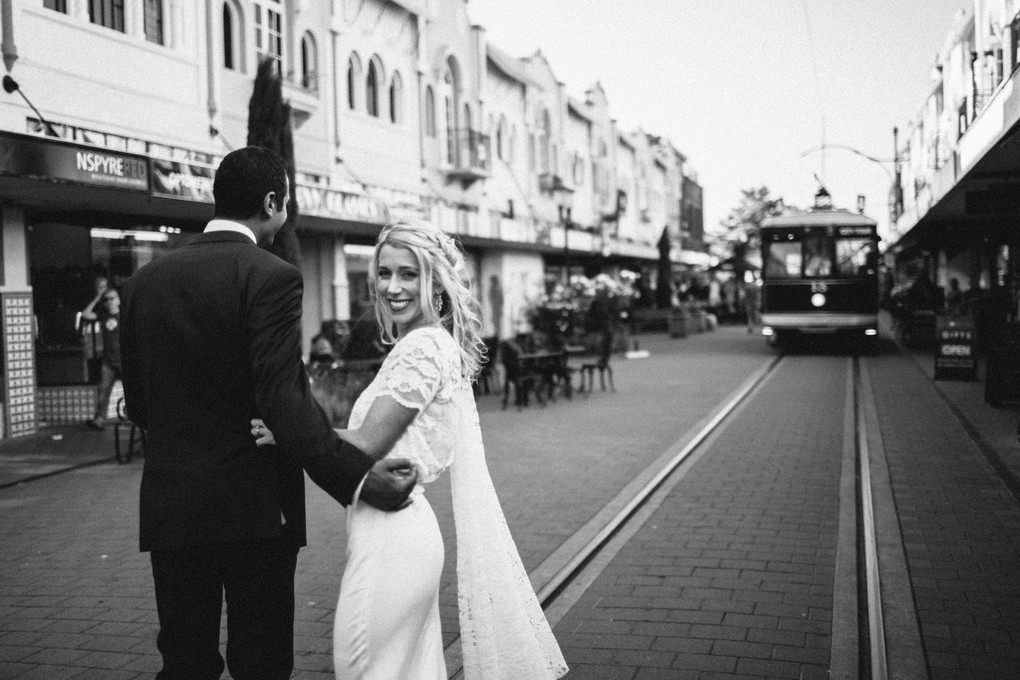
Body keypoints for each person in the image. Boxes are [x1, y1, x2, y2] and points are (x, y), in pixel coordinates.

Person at [119, 146, 418, 680]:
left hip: (172, 505)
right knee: (260, 661)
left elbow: (139, 405)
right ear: (272, 201)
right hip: (255, 507)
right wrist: (359, 481)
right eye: (287, 201)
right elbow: (283, 398)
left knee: (185, 661)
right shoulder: (270, 275)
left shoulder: (143, 284)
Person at [254, 220, 568, 679]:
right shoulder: (427, 343)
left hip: (393, 535)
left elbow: (366, 445)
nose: (392, 287)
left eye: (408, 274)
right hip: (398, 528)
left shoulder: (422, 347)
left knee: (360, 666)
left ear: (434, 282)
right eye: (384, 273)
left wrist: (287, 429)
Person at [82, 277, 121, 430]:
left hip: (124, 359)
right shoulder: (103, 315)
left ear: (118, 300)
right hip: (108, 361)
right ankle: (99, 419)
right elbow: (86, 314)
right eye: (107, 299)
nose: (110, 301)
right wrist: (99, 296)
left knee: (136, 390)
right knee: (103, 391)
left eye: (113, 298)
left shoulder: (125, 314)